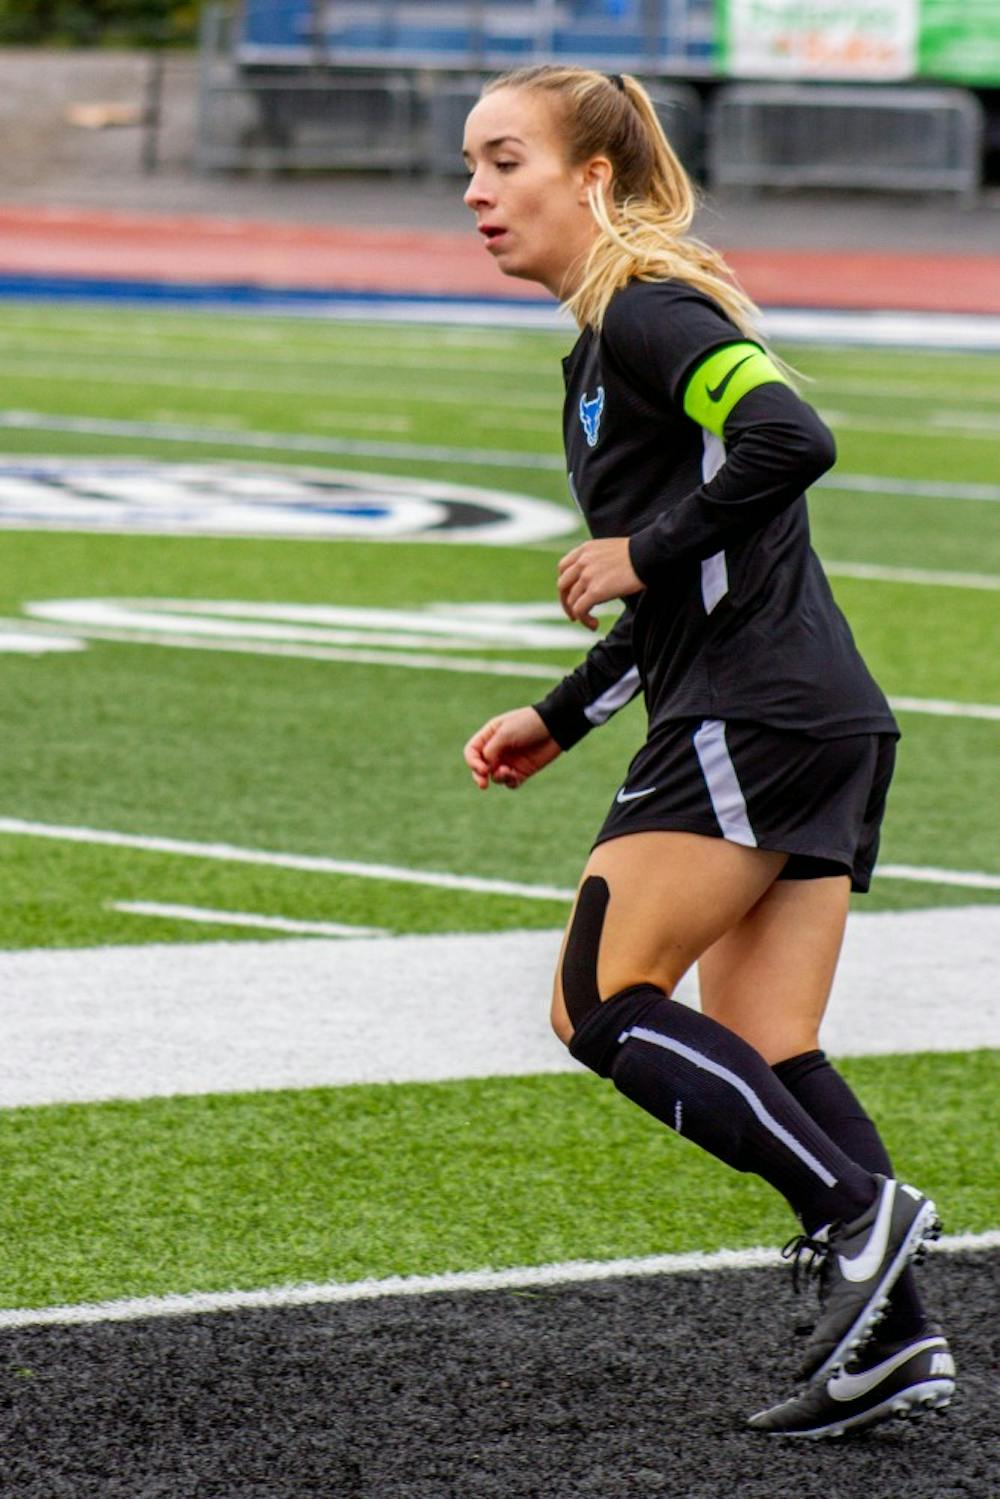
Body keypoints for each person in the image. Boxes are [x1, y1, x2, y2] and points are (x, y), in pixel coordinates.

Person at [460, 65, 955, 1437]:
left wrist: (638, 548)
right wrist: (560, 714)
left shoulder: (645, 309)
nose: (477, 194)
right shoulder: (612, 336)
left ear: (595, 177)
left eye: (506, 162)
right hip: (811, 710)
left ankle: (860, 1212)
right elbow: (688, 575)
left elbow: (791, 436)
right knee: (768, 1040)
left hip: (755, 709)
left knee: (596, 997)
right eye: (471, 168)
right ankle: (896, 1345)